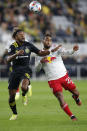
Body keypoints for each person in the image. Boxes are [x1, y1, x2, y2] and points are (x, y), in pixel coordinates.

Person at [7, 29, 51, 120]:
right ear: (16, 37)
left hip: (26, 70)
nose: (23, 36)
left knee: (24, 87)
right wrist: (16, 54)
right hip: (15, 72)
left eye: (23, 34)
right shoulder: (12, 46)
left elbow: (40, 52)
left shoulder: (28, 45)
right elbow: (8, 59)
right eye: (20, 34)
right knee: (11, 97)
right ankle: (14, 114)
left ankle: (24, 94)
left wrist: (49, 50)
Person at [36, 34, 82, 121]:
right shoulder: (39, 54)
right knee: (60, 98)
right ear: (43, 41)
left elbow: (66, 52)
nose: (48, 41)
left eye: (50, 40)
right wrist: (40, 62)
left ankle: (75, 97)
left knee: (76, 93)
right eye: (46, 40)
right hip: (53, 80)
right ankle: (72, 116)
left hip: (63, 76)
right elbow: (36, 69)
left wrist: (73, 50)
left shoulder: (56, 49)